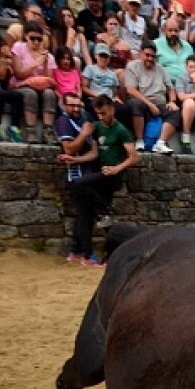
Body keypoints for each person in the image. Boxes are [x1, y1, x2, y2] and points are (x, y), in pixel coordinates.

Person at [67, 94, 137, 266]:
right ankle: (83, 253)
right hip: (100, 176)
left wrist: (116, 169)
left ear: (112, 109)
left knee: (78, 184)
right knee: (85, 213)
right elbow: (94, 153)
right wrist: (74, 160)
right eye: (98, 114)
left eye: (104, 113)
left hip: (111, 177)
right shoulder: (97, 127)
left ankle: (104, 213)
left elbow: (134, 157)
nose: (101, 117)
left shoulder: (121, 130)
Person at [54, 93, 100, 262]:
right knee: (85, 214)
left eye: (78, 106)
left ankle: (75, 251)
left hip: (86, 171)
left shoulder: (84, 121)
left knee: (85, 213)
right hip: (76, 174)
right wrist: (83, 134)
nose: (76, 109)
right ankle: (87, 255)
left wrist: (76, 158)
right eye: (71, 105)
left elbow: (93, 153)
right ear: (64, 106)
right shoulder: (64, 121)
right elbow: (69, 149)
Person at [123, 39, 181, 153]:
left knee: (175, 111)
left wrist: (172, 101)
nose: (150, 58)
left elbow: (171, 88)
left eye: (153, 56)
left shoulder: (160, 68)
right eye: (147, 55)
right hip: (142, 102)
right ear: (140, 53)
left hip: (159, 103)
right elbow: (130, 90)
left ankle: (160, 143)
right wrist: (149, 105)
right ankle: (139, 140)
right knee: (135, 104)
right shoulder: (132, 66)